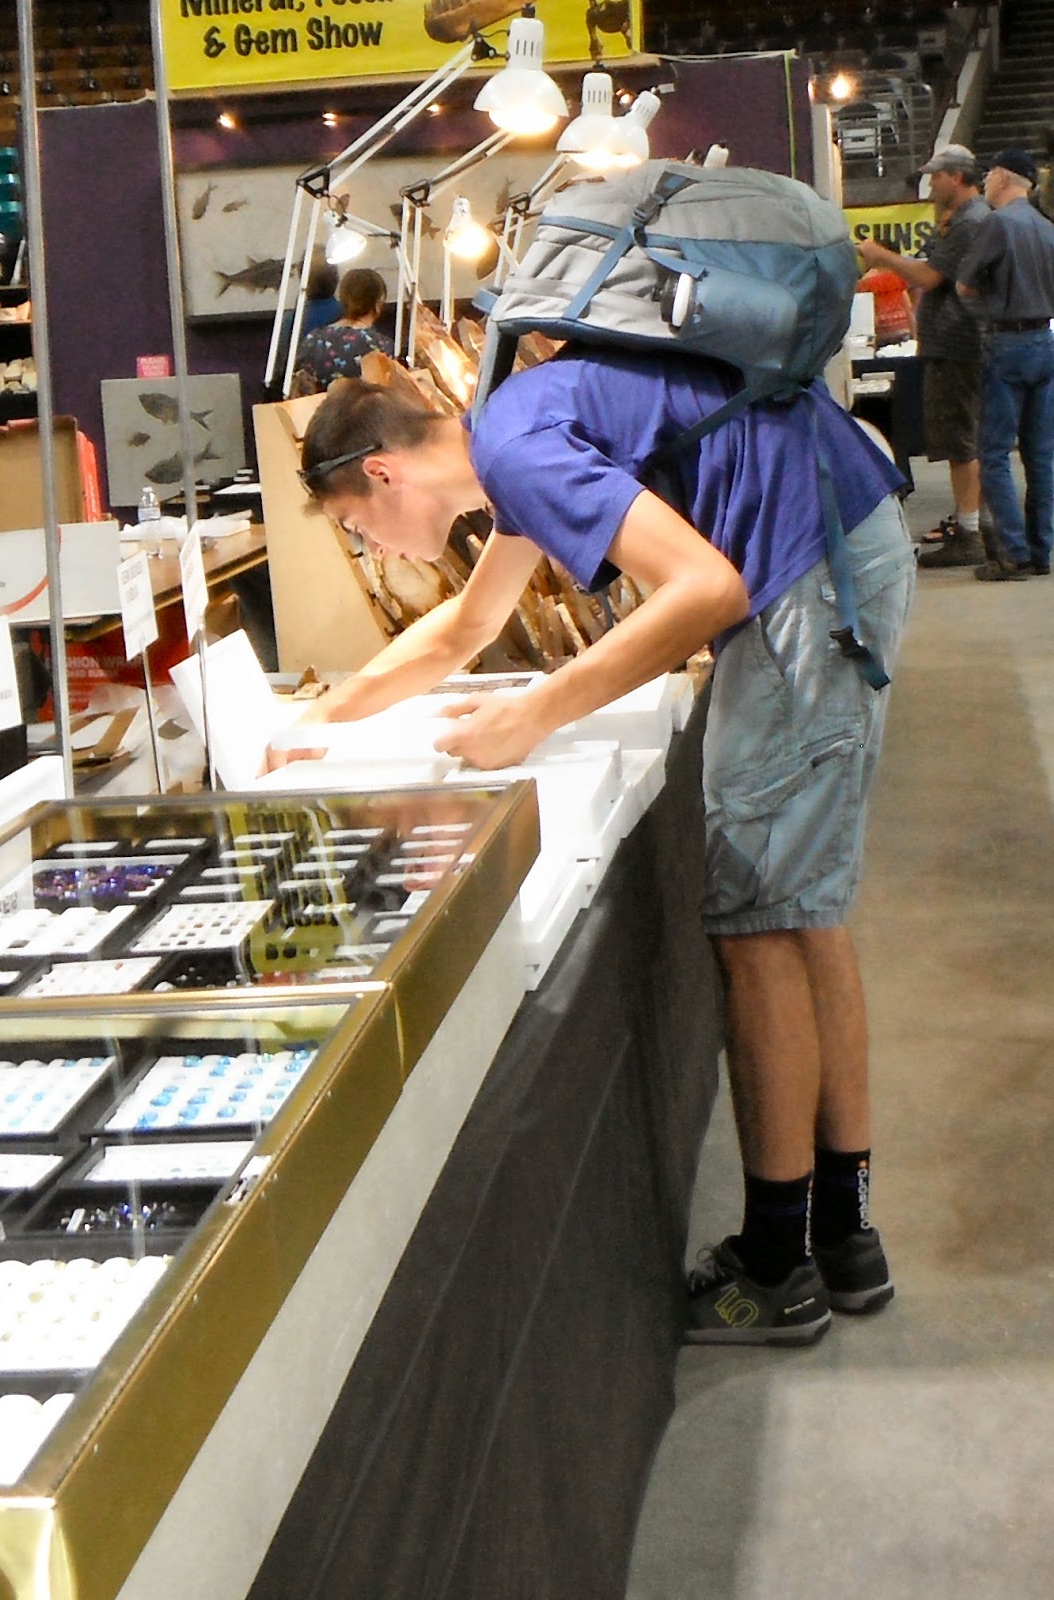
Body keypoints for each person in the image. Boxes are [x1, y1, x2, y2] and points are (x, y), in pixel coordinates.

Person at [281, 356, 914, 1345]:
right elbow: (468, 627)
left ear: (385, 475)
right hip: (836, 543)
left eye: (357, 526)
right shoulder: (512, 437)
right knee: (805, 908)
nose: (373, 546)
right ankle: (843, 1231)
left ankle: (776, 1266)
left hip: (808, 573)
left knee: (760, 921)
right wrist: (319, 721)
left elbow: (704, 587)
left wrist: (533, 714)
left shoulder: (518, 448)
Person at [856, 145, 990, 565]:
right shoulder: (964, 220)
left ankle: (969, 532)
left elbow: (930, 277)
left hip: (956, 345)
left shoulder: (969, 223)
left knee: (959, 440)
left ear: (957, 177)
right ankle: (971, 520)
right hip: (955, 343)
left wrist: (883, 257)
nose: (930, 185)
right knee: (963, 437)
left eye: (936, 177)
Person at [955, 148, 1054, 581]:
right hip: (1045, 342)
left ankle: (1012, 552)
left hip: (1008, 342)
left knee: (993, 452)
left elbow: (965, 285)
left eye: (990, 173)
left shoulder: (999, 224)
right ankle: (1042, 549)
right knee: (1041, 454)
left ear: (1004, 177)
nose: (986, 181)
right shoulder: (1048, 229)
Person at [289, 268, 393, 396]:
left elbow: (299, 387)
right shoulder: (381, 347)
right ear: (379, 303)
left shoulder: (313, 339)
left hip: (320, 414)